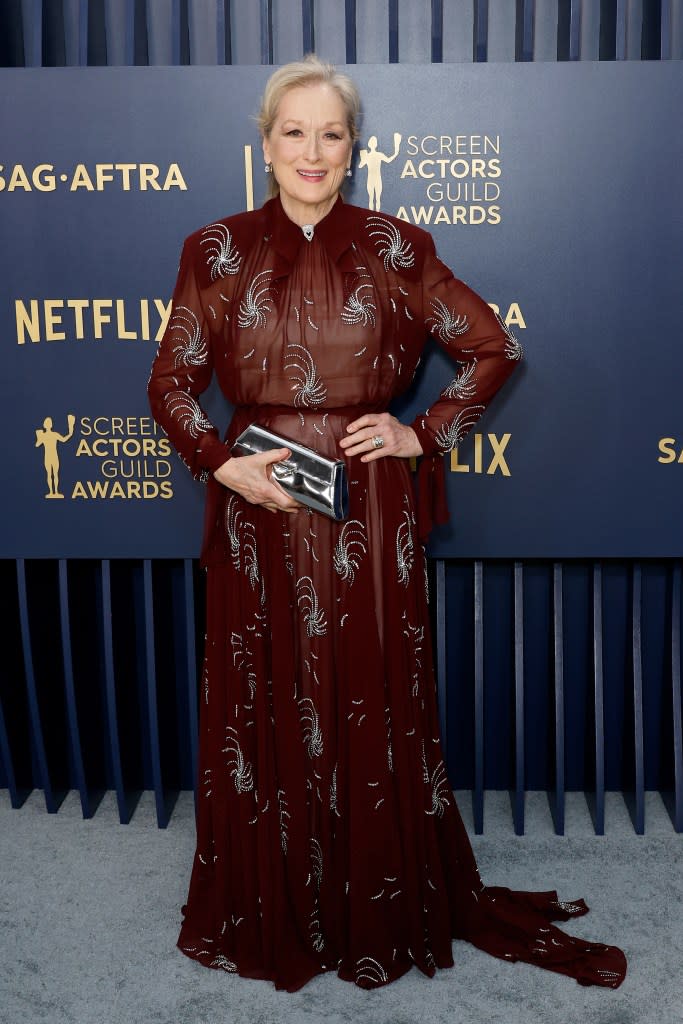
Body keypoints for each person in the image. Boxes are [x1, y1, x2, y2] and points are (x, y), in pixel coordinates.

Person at [148, 56, 626, 992]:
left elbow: (492, 348)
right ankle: (281, 899)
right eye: (294, 131)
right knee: (270, 694)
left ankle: (376, 900)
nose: (312, 151)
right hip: (262, 501)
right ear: (265, 143)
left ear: (354, 147)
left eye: (332, 133)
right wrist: (225, 464)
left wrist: (423, 431)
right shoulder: (212, 248)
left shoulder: (401, 246)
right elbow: (168, 385)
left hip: (369, 507)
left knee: (368, 693)